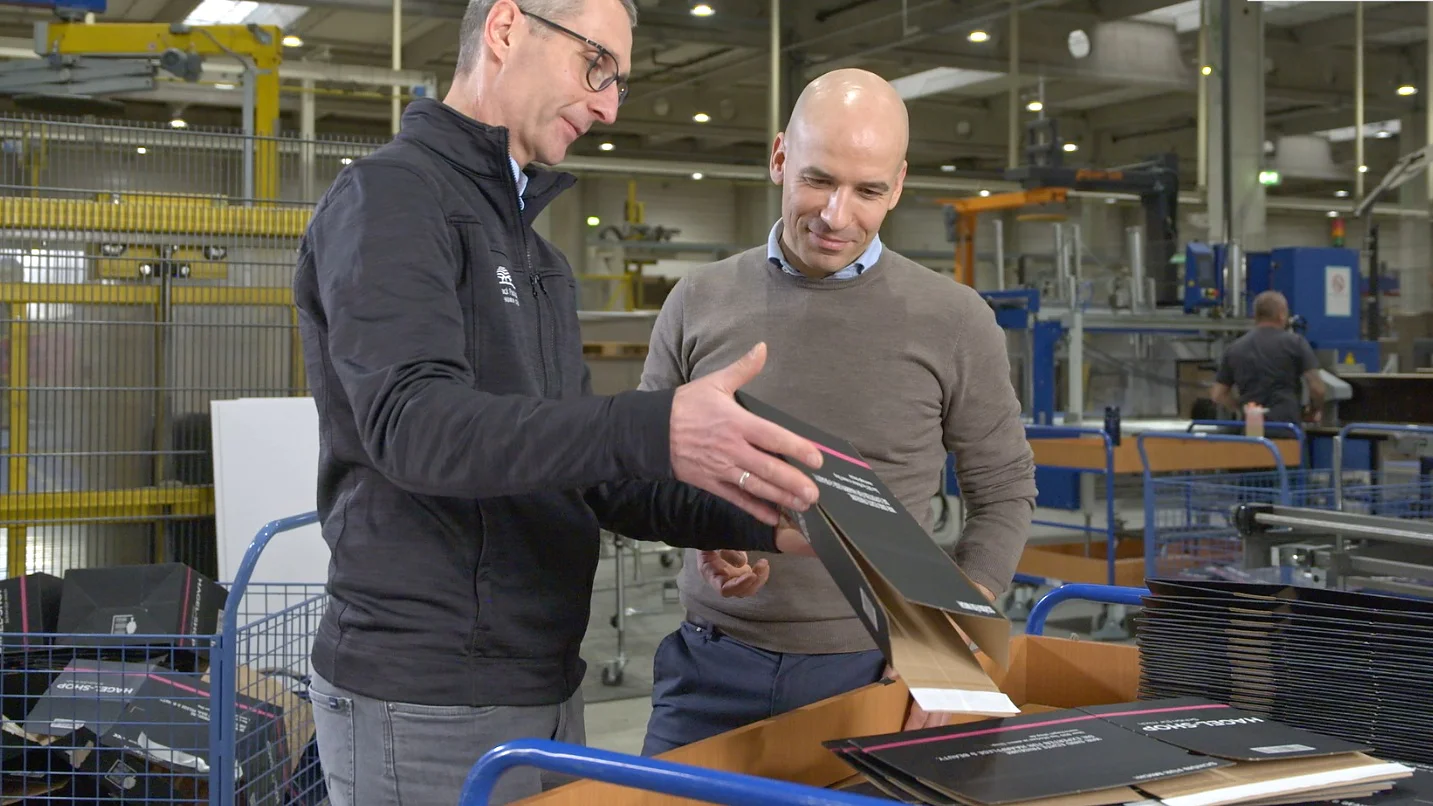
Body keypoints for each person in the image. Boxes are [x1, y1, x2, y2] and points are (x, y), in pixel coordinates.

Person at [290, 1, 827, 803]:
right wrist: (655, 422)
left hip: (542, 677)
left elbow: (583, 470)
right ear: (507, 29)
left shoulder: (535, 255)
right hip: (429, 694)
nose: (609, 104)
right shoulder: (393, 200)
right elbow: (416, 426)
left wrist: (756, 516)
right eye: (595, 65)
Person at [635, 68, 1039, 757]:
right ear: (778, 158)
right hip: (708, 670)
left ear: (899, 186)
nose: (836, 215)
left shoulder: (953, 320)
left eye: (868, 191)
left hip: (879, 675)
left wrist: (951, 637)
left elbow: (1003, 491)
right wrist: (705, 527)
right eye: (818, 180)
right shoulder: (696, 301)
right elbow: (644, 465)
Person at [1211, 290, 1326, 425]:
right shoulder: (1296, 343)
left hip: (1252, 429)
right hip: (1286, 428)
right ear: (1282, 315)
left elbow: (1218, 394)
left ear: (1255, 316)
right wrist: (1313, 411)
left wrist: (1241, 408)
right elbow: (1317, 388)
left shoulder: (1235, 348)